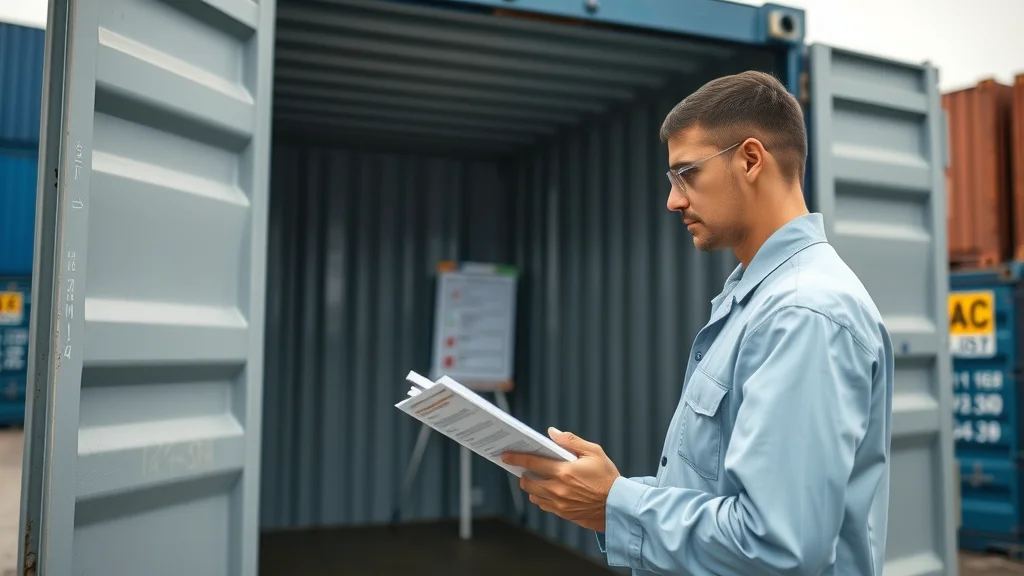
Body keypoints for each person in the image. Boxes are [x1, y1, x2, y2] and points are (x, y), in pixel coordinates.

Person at [501, 70, 894, 576]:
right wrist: (611, 491)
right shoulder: (757, 297)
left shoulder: (802, 314)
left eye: (687, 173)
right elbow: (717, 498)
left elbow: (777, 547)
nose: (674, 200)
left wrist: (614, 504)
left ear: (751, 159)